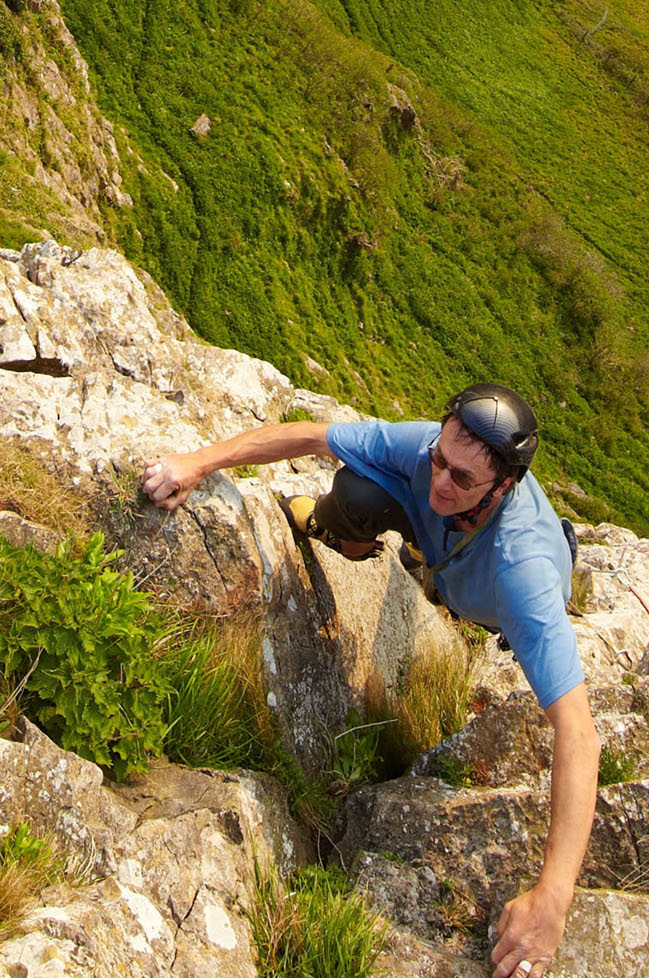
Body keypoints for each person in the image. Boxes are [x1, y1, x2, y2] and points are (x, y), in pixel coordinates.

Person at [142, 385, 593, 978]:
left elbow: (579, 734)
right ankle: (379, 548)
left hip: (488, 594)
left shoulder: (523, 576)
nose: (440, 480)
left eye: (460, 477)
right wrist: (198, 462)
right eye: (437, 460)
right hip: (452, 551)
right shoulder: (430, 450)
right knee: (351, 490)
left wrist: (552, 899)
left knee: (471, 588)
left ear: (503, 486)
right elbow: (309, 435)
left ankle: (443, 587)